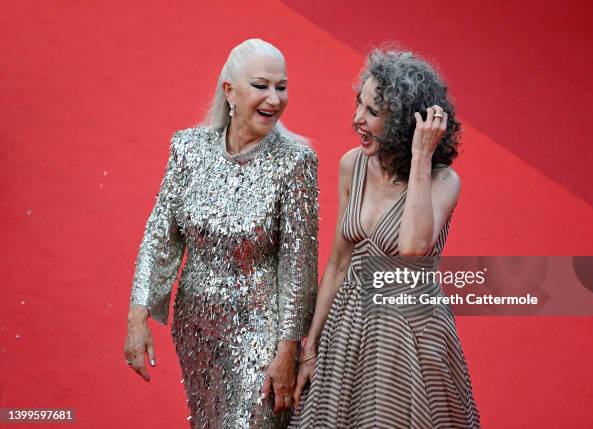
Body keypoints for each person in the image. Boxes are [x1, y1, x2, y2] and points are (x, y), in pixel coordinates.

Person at [123, 39, 319, 428]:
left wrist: (287, 349)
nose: (274, 99)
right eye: (261, 85)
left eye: (281, 87)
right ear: (230, 90)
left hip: (263, 330)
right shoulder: (189, 149)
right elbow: (162, 235)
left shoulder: (296, 160)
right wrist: (138, 314)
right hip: (197, 325)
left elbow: (299, 266)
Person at [290, 47, 481, 428]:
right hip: (348, 328)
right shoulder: (352, 165)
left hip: (408, 335)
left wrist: (422, 157)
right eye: (358, 104)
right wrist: (310, 346)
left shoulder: (443, 181)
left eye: (373, 113)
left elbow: (412, 246)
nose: (356, 120)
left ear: (406, 125)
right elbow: (339, 261)